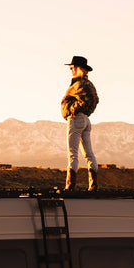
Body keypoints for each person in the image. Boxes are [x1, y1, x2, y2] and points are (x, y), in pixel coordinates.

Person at [60, 55, 99, 191]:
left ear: (78, 68)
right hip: (86, 120)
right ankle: (93, 185)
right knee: (89, 155)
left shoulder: (78, 84)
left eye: (72, 67)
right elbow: (95, 100)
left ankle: (70, 186)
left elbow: (83, 101)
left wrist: (72, 109)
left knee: (72, 154)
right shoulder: (89, 84)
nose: (71, 70)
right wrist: (86, 112)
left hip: (76, 120)